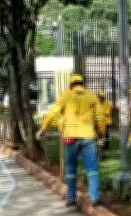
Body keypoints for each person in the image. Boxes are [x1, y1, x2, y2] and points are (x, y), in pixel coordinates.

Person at [36, 74, 103, 206]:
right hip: (88, 136)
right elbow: (100, 118)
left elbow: (52, 113)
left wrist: (43, 129)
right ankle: (95, 197)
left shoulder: (65, 96)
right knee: (92, 168)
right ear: (82, 84)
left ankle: (71, 198)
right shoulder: (92, 97)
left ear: (71, 85)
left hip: (70, 137)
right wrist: (100, 134)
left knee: (71, 168)